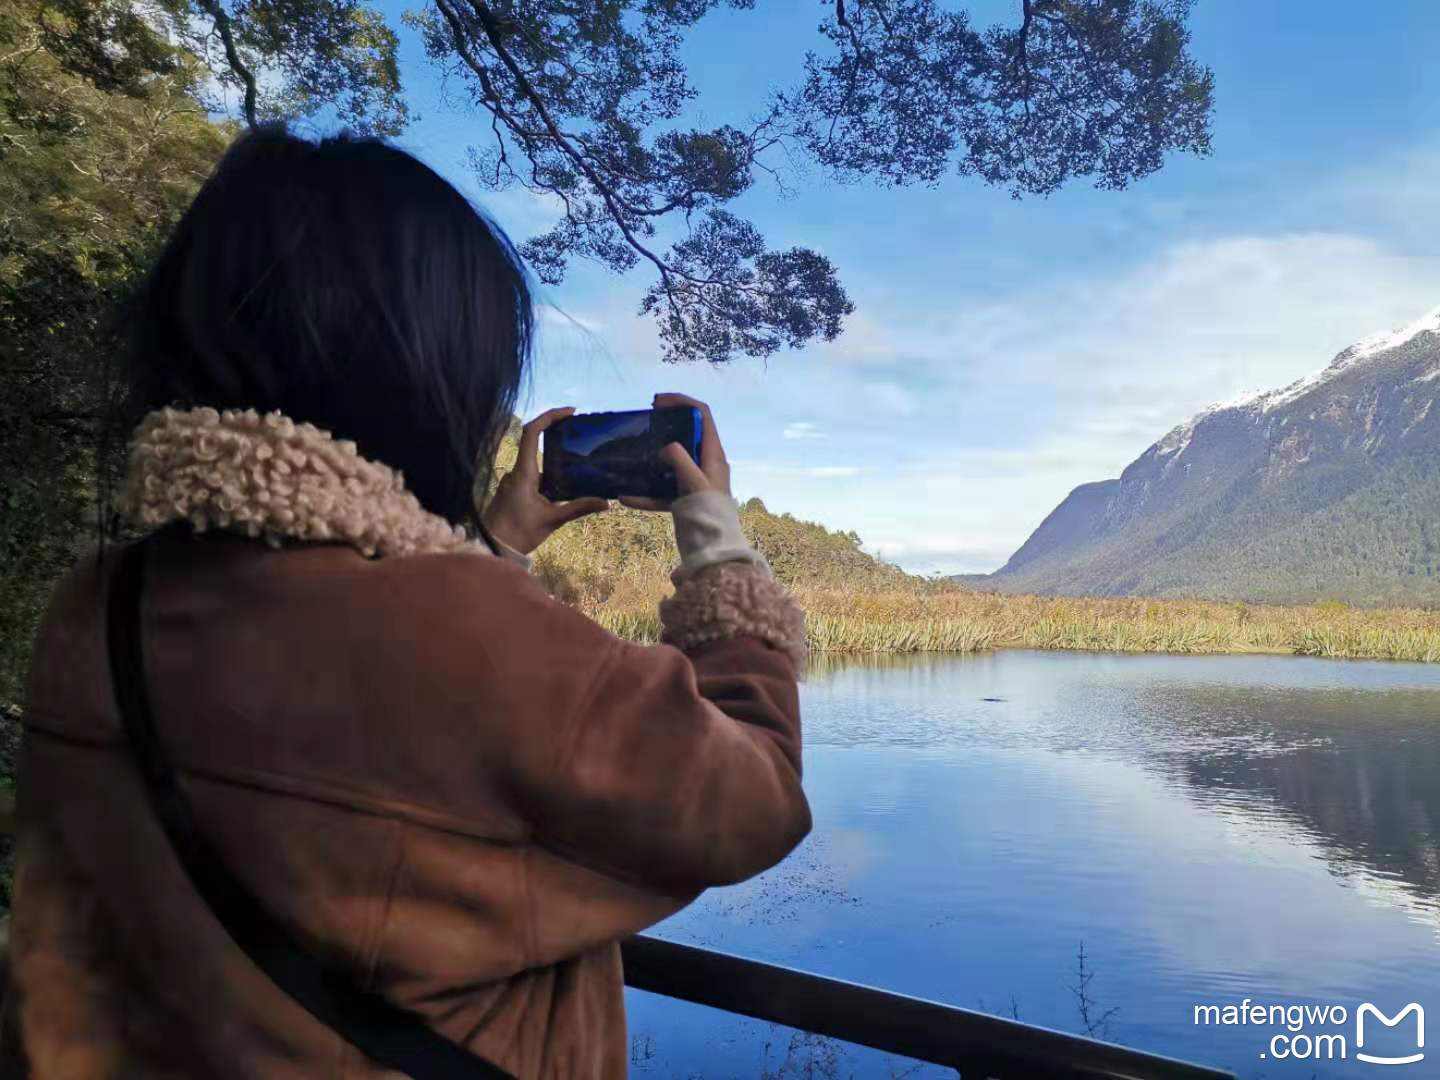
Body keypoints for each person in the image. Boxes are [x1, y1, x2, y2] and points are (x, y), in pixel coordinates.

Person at [8, 126, 811, 1079]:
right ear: (416, 368)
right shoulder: (471, 628)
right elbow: (754, 801)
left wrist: (496, 545)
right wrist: (717, 541)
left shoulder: (100, 602)